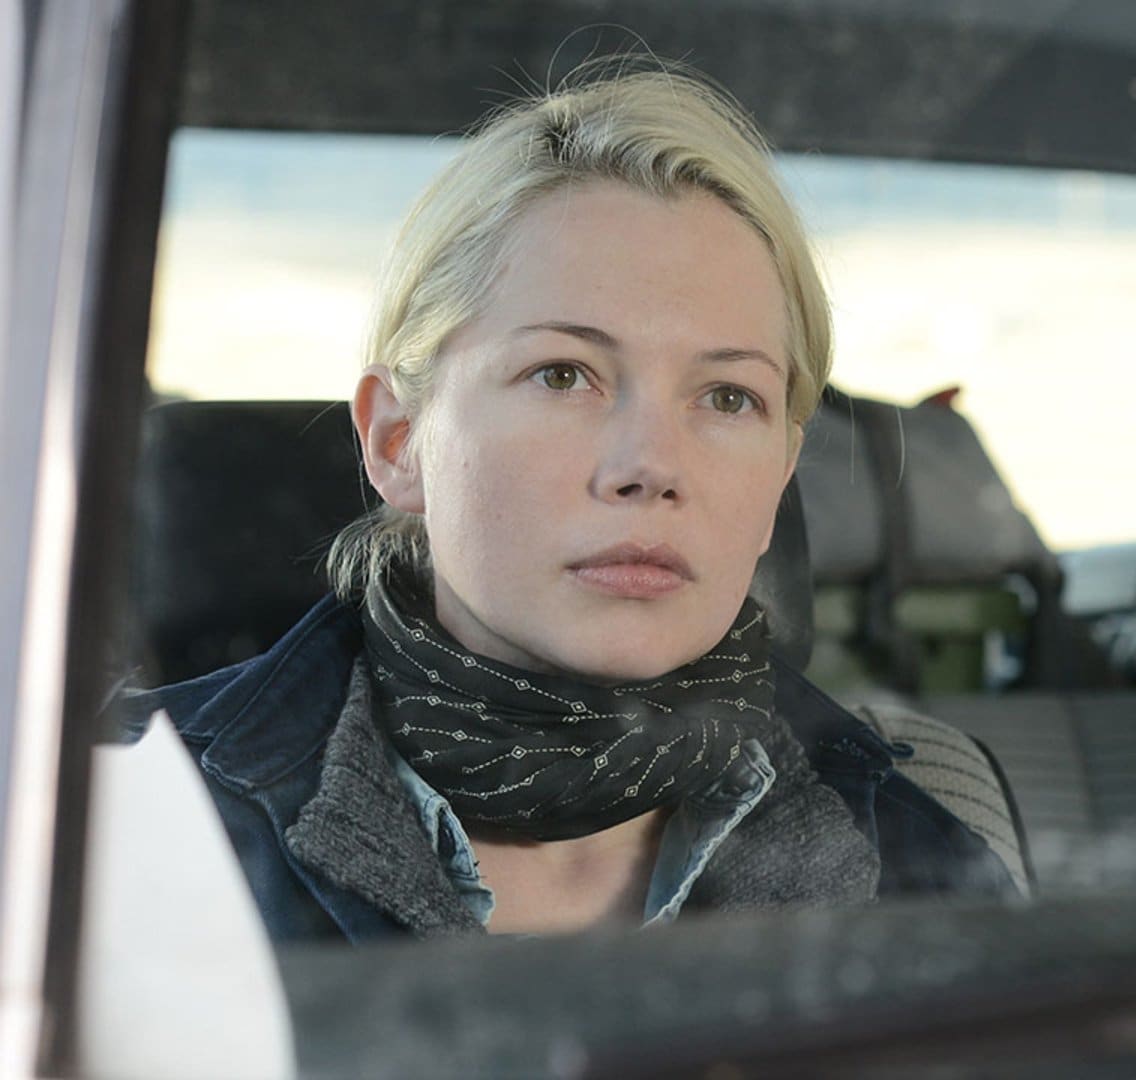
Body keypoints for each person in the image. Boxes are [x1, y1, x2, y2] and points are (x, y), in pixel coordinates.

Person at [117, 66, 1016, 943]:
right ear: (398, 440)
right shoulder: (108, 820)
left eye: (727, 396)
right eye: (563, 374)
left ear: (782, 471)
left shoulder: (929, 865)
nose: (650, 466)